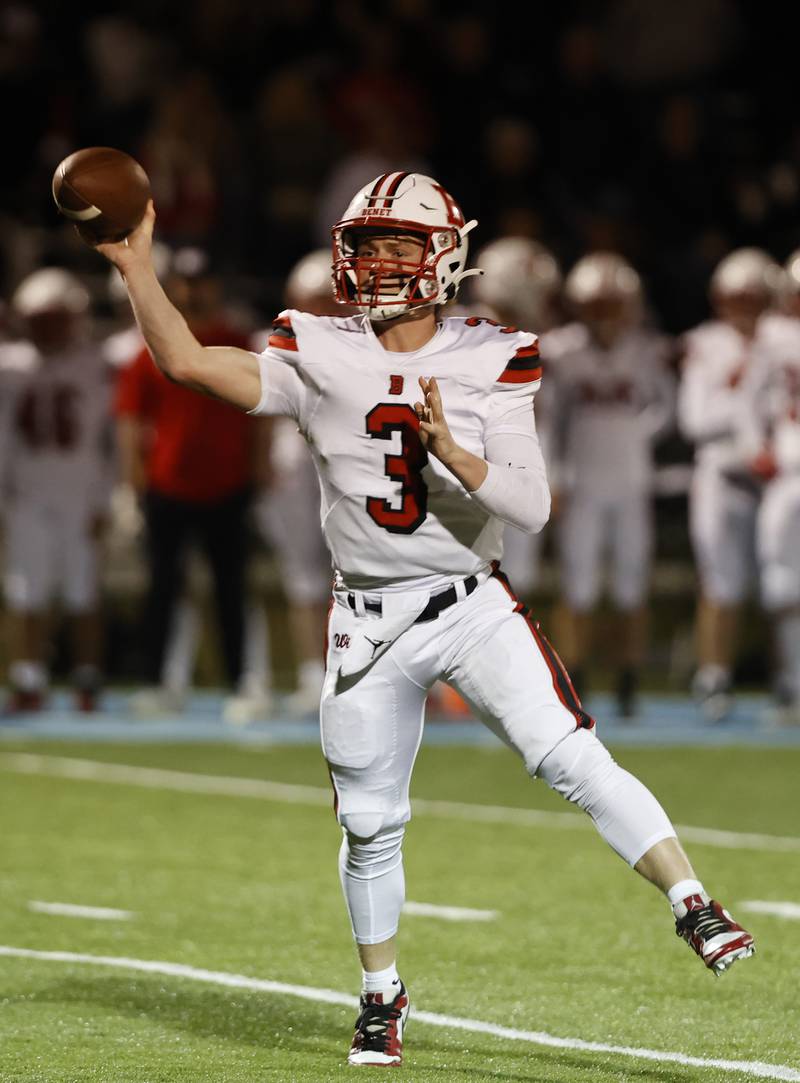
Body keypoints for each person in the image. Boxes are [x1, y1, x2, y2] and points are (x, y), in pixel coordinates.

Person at [96, 172, 755, 1069]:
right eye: (365, 245)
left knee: (569, 754)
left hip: (468, 601)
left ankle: (693, 900)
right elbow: (190, 364)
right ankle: (380, 996)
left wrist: (454, 456)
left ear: (445, 257)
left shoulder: (495, 353)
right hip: (366, 618)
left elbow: (530, 506)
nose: (377, 263)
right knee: (369, 822)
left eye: (397, 245)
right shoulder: (316, 344)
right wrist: (139, 269)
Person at [113, 246, 271, 720]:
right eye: (186, 283)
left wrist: (258, 466)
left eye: (201, 282)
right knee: (161, 589)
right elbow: (129, 420)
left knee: (230, 590)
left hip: (227, 485)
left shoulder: (235, 340)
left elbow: (260, 412)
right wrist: (134, 482)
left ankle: (244, 681)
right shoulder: (149, 352)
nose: (194, 292)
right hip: (169, 486)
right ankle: (158, 682)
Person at [549, 252, 676, 716]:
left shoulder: (643, 350)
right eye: (596, 305)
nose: (604, 316)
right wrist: (554, 475)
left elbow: (667, 407)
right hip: (582, 481)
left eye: (611, 305)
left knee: (631, 584)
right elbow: (549, 420)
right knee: (577, 585)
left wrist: (634, 434)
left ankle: (628, 679)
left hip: (630, 481)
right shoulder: (561, 350)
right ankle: (575, 677)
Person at [678, 247, 783, 721]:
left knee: (782, 584)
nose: (743, 307)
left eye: (753, 297)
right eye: (735, 297)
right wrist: (741, 408)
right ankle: (714, 677)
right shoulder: (707, 342)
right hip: (723, 476)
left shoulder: (782, 342)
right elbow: (694, 420)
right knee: (721, 585)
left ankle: (787, 679)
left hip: (775, 480)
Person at [0, 267, 113, 711]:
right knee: (25, 590)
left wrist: (106, 498)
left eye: (54, 318)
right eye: (39, 319)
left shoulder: (96, 365)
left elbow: (109, 439)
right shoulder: (10, 364)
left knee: (83, 589)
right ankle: (28, 678)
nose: (46, 329)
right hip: (27, 492)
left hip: (80, 491)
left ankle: (87, 679)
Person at [250, 249, 334, 715]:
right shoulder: (278, 341)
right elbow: (262, 404)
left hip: (348, 458)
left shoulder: (365, 338)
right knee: (302, 574)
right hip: (295, 458)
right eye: (314, 298)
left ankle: (360, 677)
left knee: (363, 570)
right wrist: (260, 459)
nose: (321, 307)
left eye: (328, 297)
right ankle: (311, 674)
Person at [748, 248, 800, 723]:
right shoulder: (773, 335)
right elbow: (749, 397)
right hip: (788, 473)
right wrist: (753, 445)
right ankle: (792, 688)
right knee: (781, 584)